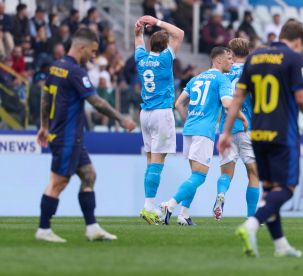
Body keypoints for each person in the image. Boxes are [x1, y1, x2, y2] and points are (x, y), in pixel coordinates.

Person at [218, 21, 303, 258]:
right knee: (287, 188)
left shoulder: (255, 58)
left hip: (257, 133)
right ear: (298, 41)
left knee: (269, 190)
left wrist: (226, 132)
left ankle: (280, 244)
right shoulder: (293, 58)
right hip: (282, 134)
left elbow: (237, 98)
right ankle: (252, 224)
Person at [35, 27, 136, 243]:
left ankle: (92, 228)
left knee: (89, 175)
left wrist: (44, 125)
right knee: (58, 182)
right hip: (67, 136)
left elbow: (45, 95)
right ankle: (43, 229)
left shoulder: (56, 67)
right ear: (81, 47)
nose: (94, 55)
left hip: (69, 136)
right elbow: (96, 101)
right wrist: (121, 118)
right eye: (92, 51)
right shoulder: (75, 71)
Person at [159, 46, 247, 226]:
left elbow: (178, 104)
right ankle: (170, 204)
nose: (232, 62)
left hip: (190, 129)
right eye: (229, 58)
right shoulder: (221, 79)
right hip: (203, 131)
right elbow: (226, 103)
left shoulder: (196, 78)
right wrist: (242, 117)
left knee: (194, 174)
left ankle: (184, 214)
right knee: (199, 176)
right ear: (219, 59)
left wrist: (189, 119)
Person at [134, 15, 184, 224]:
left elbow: (137, 40)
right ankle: (148, 206)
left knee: (150, 161)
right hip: (162, 113)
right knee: (158, 161)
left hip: (145, 114)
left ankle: (149, 205)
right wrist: (156, 22)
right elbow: (179, 34)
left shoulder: (141, 58)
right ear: (165, 46)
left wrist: (138, 30)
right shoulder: (165, 59)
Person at [212, 38, 259, 221]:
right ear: (248, 51)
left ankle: (221, 196)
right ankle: (251, 217)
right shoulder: (253, 72)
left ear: (230, 52)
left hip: (227, 128)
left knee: (226, 174)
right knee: (254, 174)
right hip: (249, 127)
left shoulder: (224, 73)